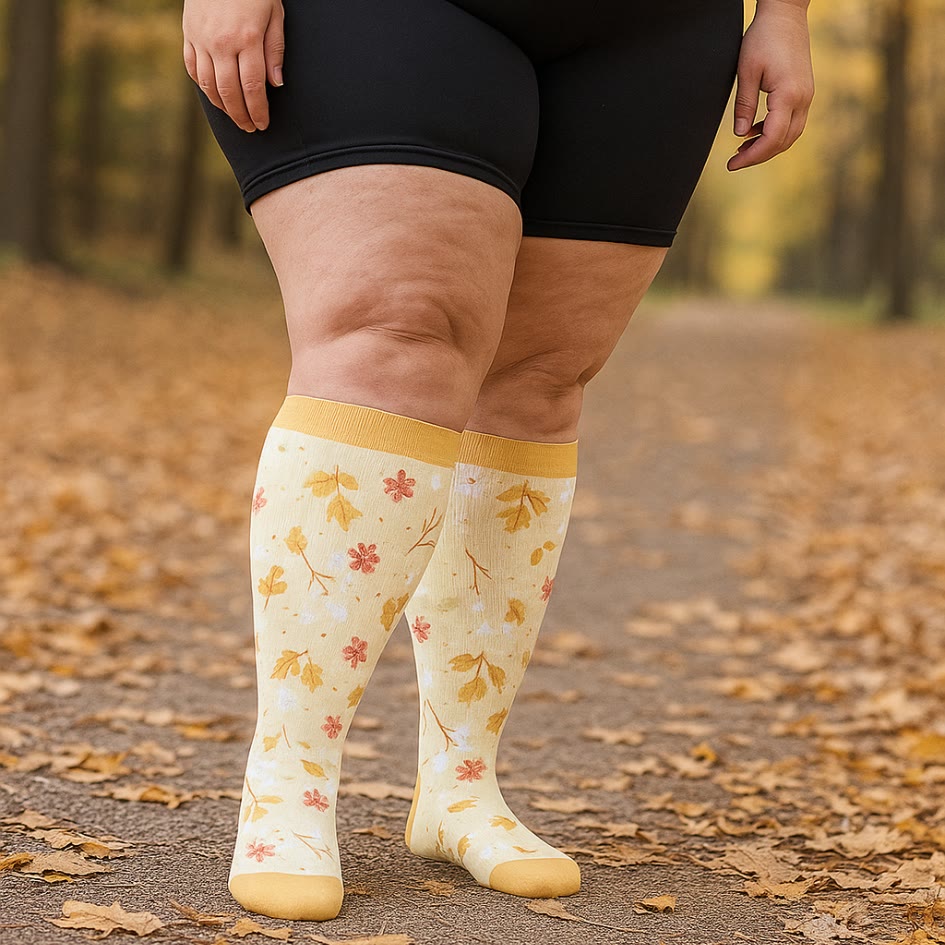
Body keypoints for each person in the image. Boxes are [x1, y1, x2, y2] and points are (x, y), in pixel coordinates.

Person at [181, 0, 814, 922]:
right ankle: (289, 778)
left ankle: (460, 784)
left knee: (539, 380)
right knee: (393, 330)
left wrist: (787, 12)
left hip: (656, 27)